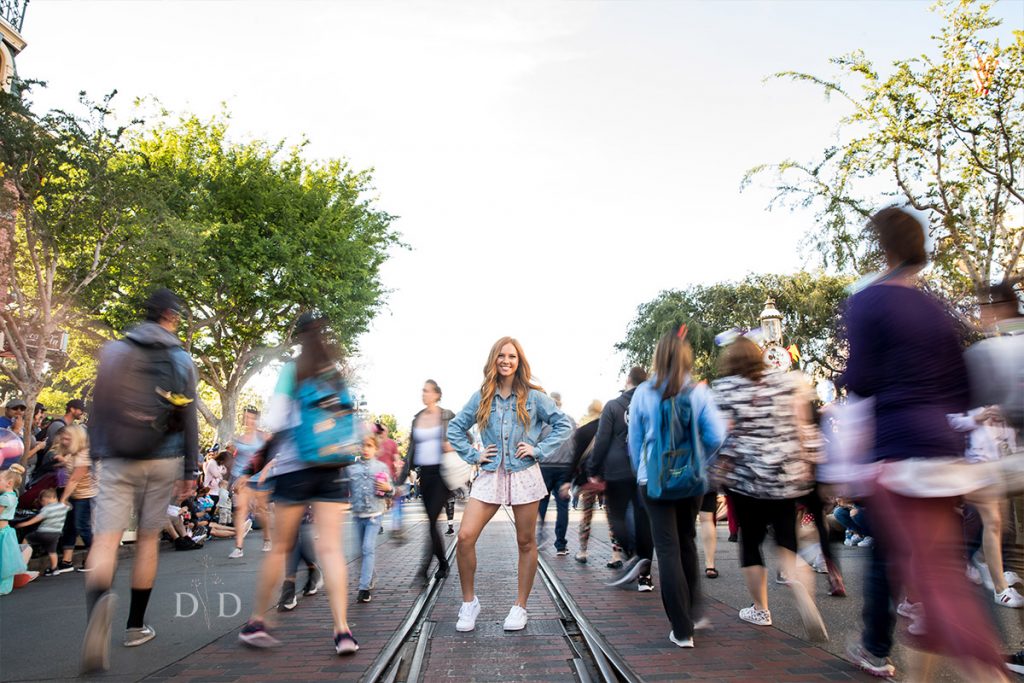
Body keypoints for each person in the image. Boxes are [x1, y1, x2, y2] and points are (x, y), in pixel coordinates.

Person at [842, 207, 1007, 680]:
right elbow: (963, 387)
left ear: (885, 247)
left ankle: (990, 672)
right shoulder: (936, 308)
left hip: (901, 457)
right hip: (945, 454)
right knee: (931, 579)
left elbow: (861, 379)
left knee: (937, 587)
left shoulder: (869, 302)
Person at [81, 288, 200, 673]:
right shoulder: (181, 358)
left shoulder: (114, 351)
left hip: (116, 455)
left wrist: (93, 455)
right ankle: (135, 626)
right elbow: (190, 417)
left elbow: (98, 406)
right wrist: (189, 470)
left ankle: (97, 613)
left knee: (106, 539)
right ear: (171, 316)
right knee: (148, 538)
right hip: (163, 456)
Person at [238, 312, 357, 655]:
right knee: (332, 549)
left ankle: (257, 621)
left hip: (294, 468)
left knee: (280, 547)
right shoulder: (334, 375)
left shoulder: (293, 370)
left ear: (297, 337)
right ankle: (342, 631)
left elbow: (275, 419)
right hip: (331, 467)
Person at [447, 337, 573, 632]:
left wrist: (538, 449)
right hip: (491, 473)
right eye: (501, 355)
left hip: (524, 474)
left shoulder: (533, 397)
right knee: (465, 537)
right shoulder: (482, 396)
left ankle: (520, 606)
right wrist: (473, 455)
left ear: (519, 361)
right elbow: (455, 426)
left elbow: (563, 424)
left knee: (525, 542)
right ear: (494, 359)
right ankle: (469, 603)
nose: (506, 360)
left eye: (512, 356)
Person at [712, 336, 827, 640]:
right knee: (787, 540)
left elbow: (720, 437)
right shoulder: (788, 382)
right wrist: (814, 463)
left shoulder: (725, 389)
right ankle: (797, 580)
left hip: (747, 479)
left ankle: (761, 609)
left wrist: (715, 468)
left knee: (750, 542)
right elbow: (806, 428)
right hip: (787, 476)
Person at [628, 328, 726, 648]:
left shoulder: (643, 392)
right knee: (687, 541)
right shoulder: (699, 392)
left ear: (658, 357)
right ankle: (695, 612)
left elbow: (635, 441)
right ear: (686, 358)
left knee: (667, 549)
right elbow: (716, 437)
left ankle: (682, 630)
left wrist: (641, 472)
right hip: (692, 479)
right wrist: (700, 458)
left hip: (654, 480)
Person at [588, 366, 655, 588]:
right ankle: (645, 576)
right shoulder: (653, 401)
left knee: (616, 516)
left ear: (628, 380)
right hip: (646, 469)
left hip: (618, 470)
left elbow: (602, 439)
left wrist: (594, 470)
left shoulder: (613, 406)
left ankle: (630, 553)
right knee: (644, 520)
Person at [398, 380, 456, 584]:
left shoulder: (447, 415)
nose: (424, 394)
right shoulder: (417, 418)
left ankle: (423, 570)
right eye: (423, 390)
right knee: (431, 524)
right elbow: (410, 451)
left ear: (437, 394)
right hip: (425, 477)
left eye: (427, 391)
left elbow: (464, 438)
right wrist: (400, 479)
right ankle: (443, 562)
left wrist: (452, 445)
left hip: (443, 475)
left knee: (431, 522)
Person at [350, 431, 393, 603]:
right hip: (357, 514)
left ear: (375, 448)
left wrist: (387, 488)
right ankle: (371, 576)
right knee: (361, 551)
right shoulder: (351, 468)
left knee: (368, 548)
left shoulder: (381, 468)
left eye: (369, 446)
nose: (365, 449)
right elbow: (344, 490)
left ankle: (364, 588)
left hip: (374, 515)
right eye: (362, 445)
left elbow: (390, 490)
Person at [537, 391, 576, 556]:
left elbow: (534, 443)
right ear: (561, 403)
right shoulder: (570, 421)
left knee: (541, 504)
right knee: (562, 507)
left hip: (545, 467)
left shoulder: (542, 423)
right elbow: (576, 445)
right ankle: (560, 544)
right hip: (565, 467)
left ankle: (539, 537)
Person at [229, 407, 271, 558]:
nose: (249, 421)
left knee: (261, 511)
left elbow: (272, 455)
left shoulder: (263, 437)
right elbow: (237, 460)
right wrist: (233, 479)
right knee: (241, 510)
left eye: (252, 418)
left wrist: (266, 471)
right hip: (242, 479)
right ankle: (238, 547)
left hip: (259, 478)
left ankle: (267, 538)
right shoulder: (239, 439)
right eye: (246, 417)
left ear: (257, 420)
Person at [56, 425, 97, 573]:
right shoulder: (73, 453)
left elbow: (74, 479)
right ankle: (66, 561)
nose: (63, 440)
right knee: (70, 527)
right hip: (76, 495)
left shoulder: (84, 455)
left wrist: (63, 499)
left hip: (86, 496)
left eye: (68, 438)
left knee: (82, 527)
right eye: (63, 437)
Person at [16, 488, 70, 576]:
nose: (42, 505)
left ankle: (22, 558)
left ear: (45, 499)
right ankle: (54, 569)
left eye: (42, 502)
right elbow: (69, 506)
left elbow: (37, 519)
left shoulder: (47, 509)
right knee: (52, 551)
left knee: (27, 538)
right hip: (56, 534)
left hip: (43, 532)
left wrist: (24, 524)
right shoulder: (63, 507)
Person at [0, 465, 28, 594]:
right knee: (5, 560)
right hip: (6, 531)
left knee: (3, 560)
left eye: (0, 480)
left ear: (9, 483)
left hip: (2, 532)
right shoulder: (13, 495)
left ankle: (3, 587)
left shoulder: (4, 498)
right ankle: (6, 586)